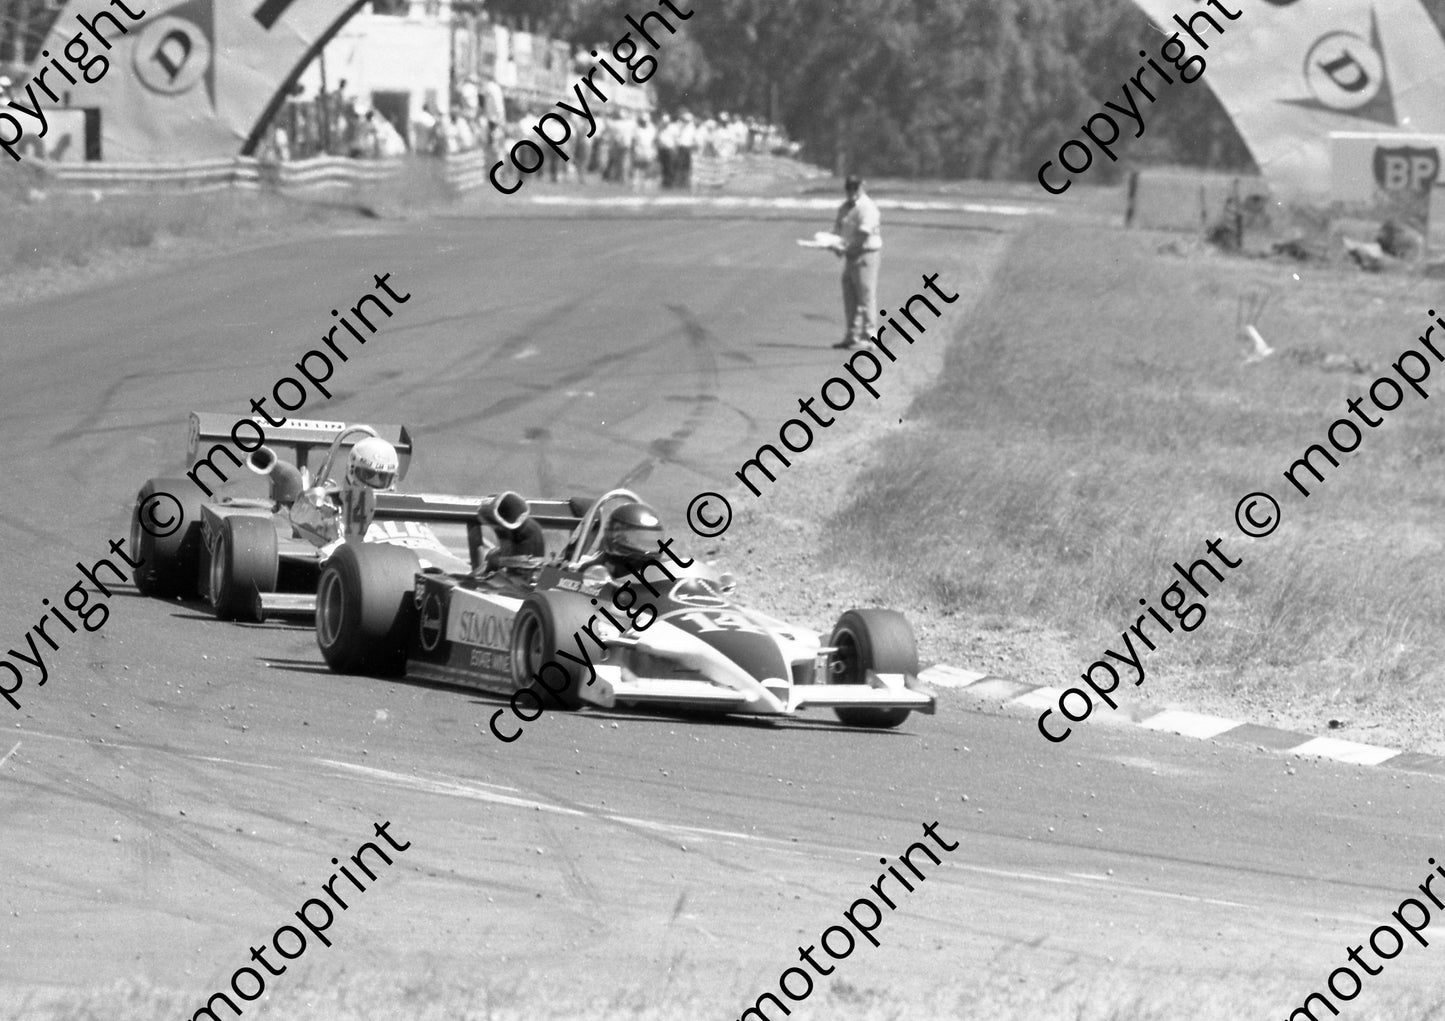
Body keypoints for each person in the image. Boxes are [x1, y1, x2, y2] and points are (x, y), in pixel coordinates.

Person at [290, 436, 399, 552]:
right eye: (369, 475)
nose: (375, 483)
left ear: (393, 479)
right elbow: (299, 517)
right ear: (352, 470)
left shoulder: (403, 511)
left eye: (383, 477)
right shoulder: (324, 503)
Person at [832, 175, 883, 349]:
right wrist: (834, 245)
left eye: (855, 188)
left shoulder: (867, 208)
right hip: (850, 256)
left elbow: (863, 234)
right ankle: (851, 336)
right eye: (849, 188)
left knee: (865, 295)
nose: (852, 192)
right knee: (850, 296)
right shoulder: (845, 208)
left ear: (861, 188)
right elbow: (838, 230)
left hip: (865, 255)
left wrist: (846, 248)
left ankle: (870, 337)